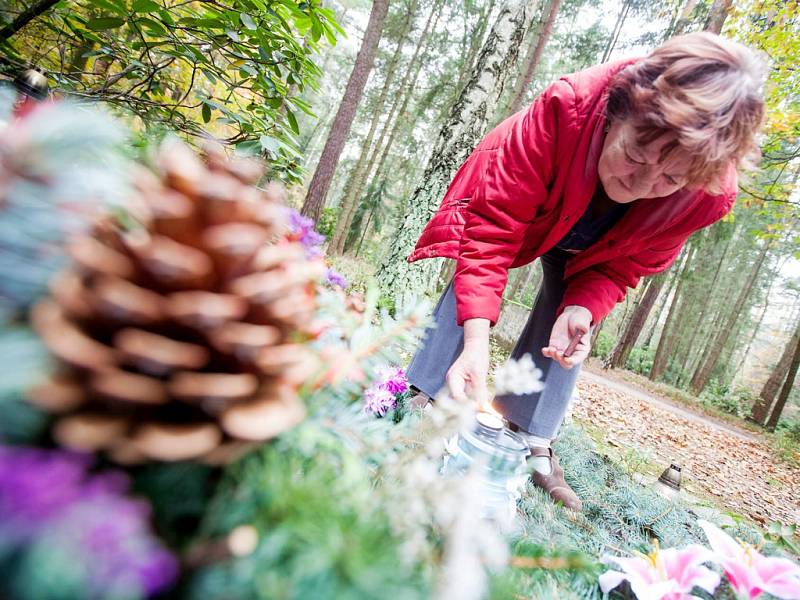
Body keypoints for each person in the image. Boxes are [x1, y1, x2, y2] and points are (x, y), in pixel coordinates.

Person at [404, 32, 765, 511]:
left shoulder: (708, 195)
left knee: (570, 322)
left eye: (670, 179)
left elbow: (630, 263)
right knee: (477, 284)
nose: (641, 183)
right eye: (635, 155)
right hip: (532, 203)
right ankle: (425, 396)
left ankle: (530, 435)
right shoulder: (567, 105)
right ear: (616, 113)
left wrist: (583, 305)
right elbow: (491, 232)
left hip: (600, 241)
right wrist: (476, 342)